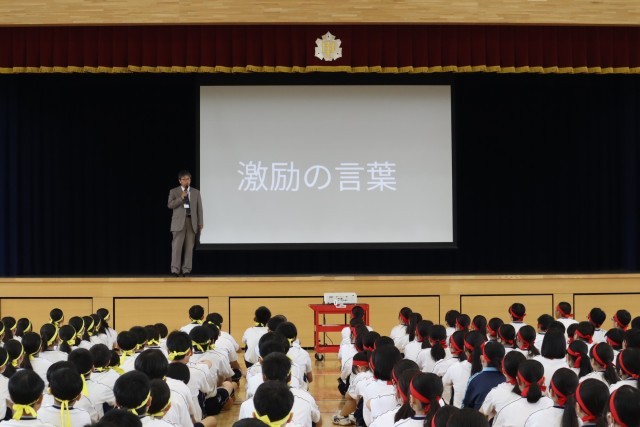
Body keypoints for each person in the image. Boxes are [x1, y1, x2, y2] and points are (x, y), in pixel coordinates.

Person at [168, 170, 203, 277]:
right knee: (176, 247)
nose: (187, 181)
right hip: (179, 223)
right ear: (180, 181)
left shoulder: (196, 192)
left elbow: (199, 209)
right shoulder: (174, 191)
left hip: (191, 222)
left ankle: (186, 270)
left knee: (189, 248)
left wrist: (200, 222)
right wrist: (181, 198)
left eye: (188, 179)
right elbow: (170, 205)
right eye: (184, 179)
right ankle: (175, 270)